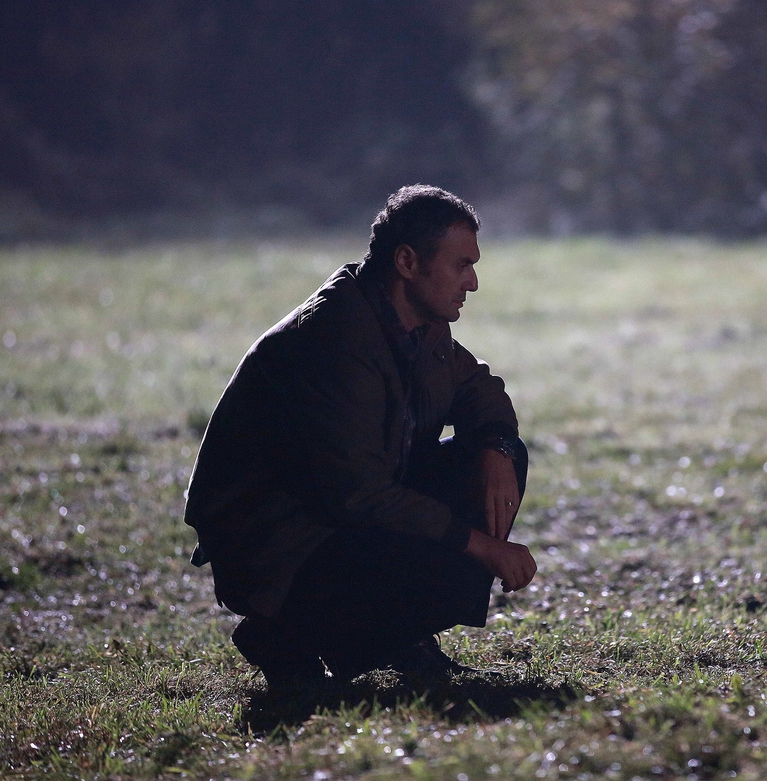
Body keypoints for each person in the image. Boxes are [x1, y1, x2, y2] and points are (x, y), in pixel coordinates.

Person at [184, 185, 537, 690]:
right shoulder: (336, 338)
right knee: (445, 546)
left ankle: (394, 637)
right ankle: (287, 633)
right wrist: (481, 546)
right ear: (408, 262)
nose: (473, 282)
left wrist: (498, 448)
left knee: (492, 461)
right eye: (461, 265)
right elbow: (356, 493)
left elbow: (479, 389)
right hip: (282, 549)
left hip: (341, 520)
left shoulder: (416, 324)